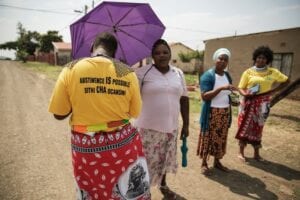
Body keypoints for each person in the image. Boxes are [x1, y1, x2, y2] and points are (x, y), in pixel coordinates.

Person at [48, 32, 151, 200]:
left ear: (91, 48)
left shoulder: (71, 68)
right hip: (121, 146)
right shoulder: (127, 72)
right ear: (114, 52)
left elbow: (58, 114)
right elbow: (134, 113)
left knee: (92, 191)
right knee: (123, 190)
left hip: (86, 149)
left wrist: (78, 99)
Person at [134, 39, 189, 198]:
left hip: (171, 127)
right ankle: (144, 192)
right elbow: (132, 98)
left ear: (170, 54)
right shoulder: (142, 73)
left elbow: (184, 99)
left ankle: (163, 185)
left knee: (165, 159)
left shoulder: (178, 73)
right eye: (157, 53)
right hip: (147, 128)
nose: (162, 55)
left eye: (165, 52)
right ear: (152, 56)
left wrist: (186, 125)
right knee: (146, 162)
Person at [236, 46, 289, 162]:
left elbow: (286, 80)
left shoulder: (272, 72)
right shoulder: (248, 72)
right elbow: (240, 87)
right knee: (244, 126)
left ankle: (256, 154)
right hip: (248, 103)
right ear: (255, 58)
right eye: (259, 57)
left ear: (268, 60)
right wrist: (246, 94)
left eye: (264, 58)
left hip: (263, 105)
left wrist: (274, 91)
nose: (261, 60)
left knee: (258, 128)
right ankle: (241, 152)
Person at [197, 48, 236, 175]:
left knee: (220, 137)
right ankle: (204, 163)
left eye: (226, 60)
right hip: (211, 112)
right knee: (208, 136)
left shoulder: (227, 75)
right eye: (221, 58)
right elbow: (204, 96)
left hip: (224, 112)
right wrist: (220, 88)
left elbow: (227, 92)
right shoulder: (208, 76)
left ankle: (217, 161)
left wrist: (232, 97)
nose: (223, 61)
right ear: (216, 60)